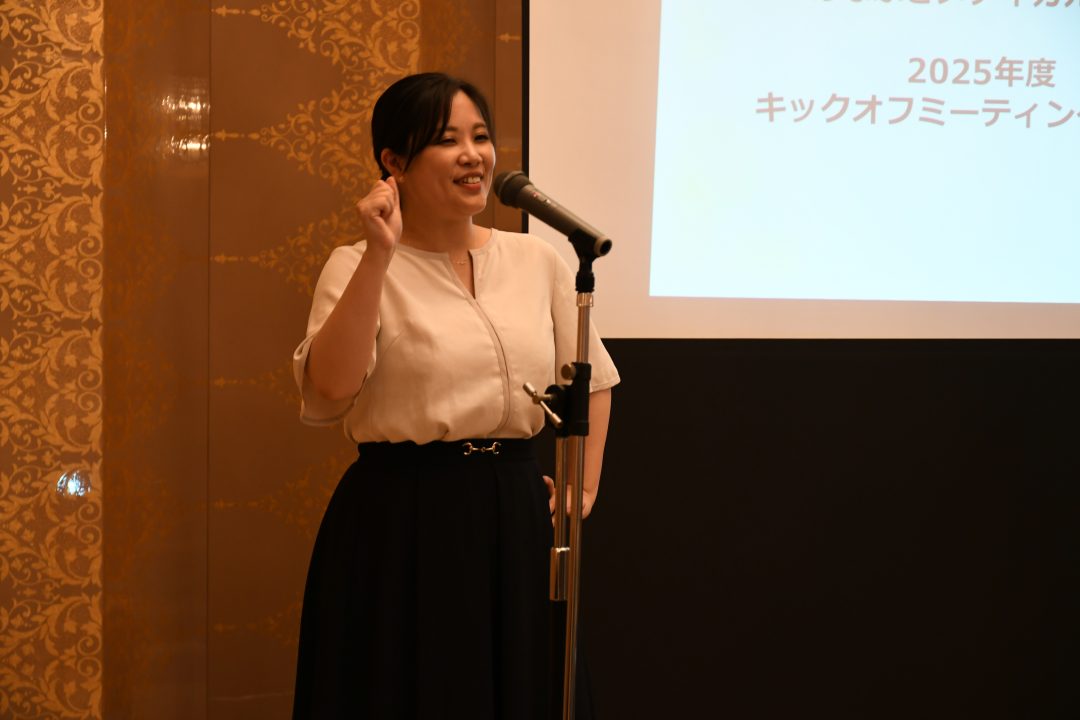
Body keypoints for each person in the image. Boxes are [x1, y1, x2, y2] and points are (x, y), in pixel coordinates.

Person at [290, 72, 619, 719]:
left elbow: (596, 378)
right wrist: (379, 255)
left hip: (514, 511)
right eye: (448, 140)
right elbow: (330, 388)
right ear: (394, 162)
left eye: (481, 137)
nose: (474, 155)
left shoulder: (537, 261)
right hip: (401, 516)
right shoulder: (354, 263)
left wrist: (580, 489)